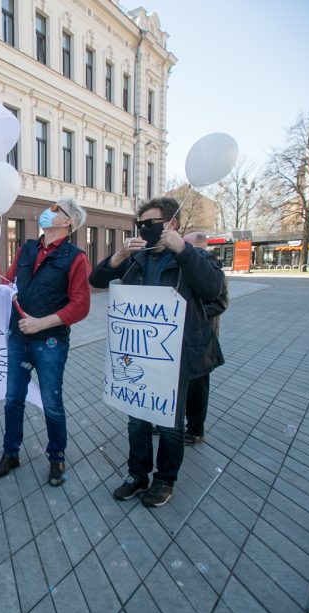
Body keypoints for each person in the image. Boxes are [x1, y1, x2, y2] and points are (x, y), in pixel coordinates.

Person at [90, 198, 224, 507]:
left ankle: (165, 480)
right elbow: (96, 280)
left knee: (169, 422)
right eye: (141, 225)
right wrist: (120, 254)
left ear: (171, 224)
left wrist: (183, 250)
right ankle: (137, 475)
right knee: (137, 419)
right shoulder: (138, 258)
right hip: (137, 355)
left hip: (174, 357)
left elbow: (214, 289)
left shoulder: (195, 257)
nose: (144, 230)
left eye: (150, 224)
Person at [0, 197, 91, 487]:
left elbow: (81, 306)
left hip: (50, 342)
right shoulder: (27, 248)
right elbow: (9, 283)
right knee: (13, 399)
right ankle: (11, 453)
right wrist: (2, 287)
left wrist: (41, 323)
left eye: (56, 209)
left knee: (52, 403)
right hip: (18, 338)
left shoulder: (75, 257)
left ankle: (56, 459)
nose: (49, 212)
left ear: (67, 221)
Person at [181, 232, 229, 445]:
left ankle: (195, 430)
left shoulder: (212, 271)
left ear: (200, 247)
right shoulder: (183, 265)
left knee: (197, 389)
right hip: (179, 337)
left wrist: (189, 311)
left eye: (186, 244)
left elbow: (220, 303)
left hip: (201, 340)